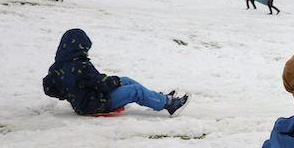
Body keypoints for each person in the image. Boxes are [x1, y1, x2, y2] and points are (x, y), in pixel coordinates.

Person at [42, 28, 190, 116]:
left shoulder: (57, 67)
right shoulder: (80, 66)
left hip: (86, 101)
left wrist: (71, 94)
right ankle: (170, 105)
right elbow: (101, 84)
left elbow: (49, 88)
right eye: (85, 50)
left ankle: (157, 98)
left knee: (126, 80)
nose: (87, 53)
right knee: (134, 90)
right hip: (95, 104)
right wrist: (114, 81)